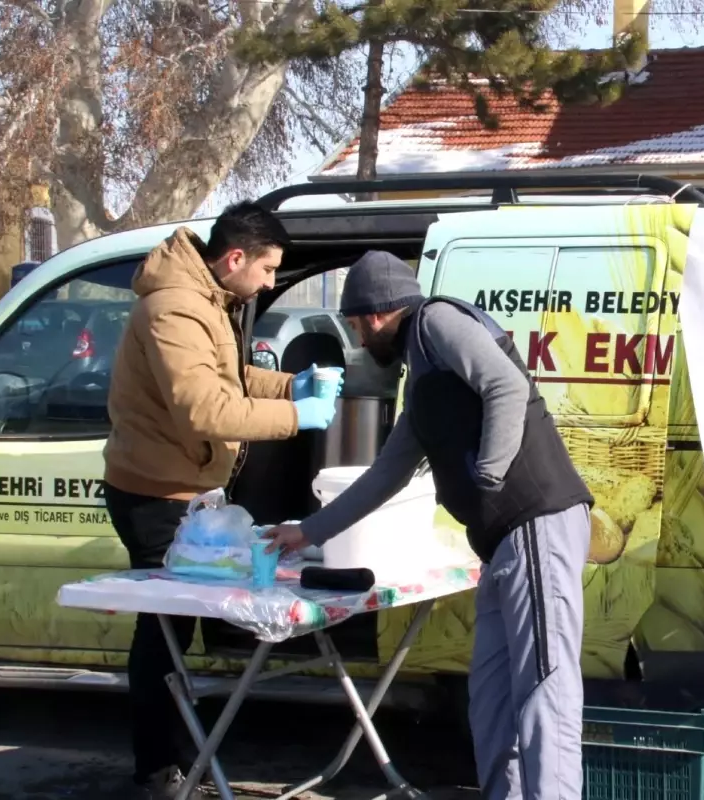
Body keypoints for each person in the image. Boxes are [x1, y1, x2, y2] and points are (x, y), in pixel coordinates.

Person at [264, 250, 594, 800]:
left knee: (544, 688)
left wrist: (487, 477)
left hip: (536, 523)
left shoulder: (437, 322)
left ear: (374, 314)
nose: (357, 338)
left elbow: (506, 387)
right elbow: (386, 475)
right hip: (502, 540)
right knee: (492, 696)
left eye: (353, 324)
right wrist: (309, 530)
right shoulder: (422, 378)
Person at [103, 202, 339, 799]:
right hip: (157, 494)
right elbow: (205, 408)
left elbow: (228, 379)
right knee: (166, 635)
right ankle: (158, 770)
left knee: (174, 634)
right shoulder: (175, 307)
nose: (268, 283)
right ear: (234, 259)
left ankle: (173, 761)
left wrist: (292, 383)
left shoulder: (208, 300)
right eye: (266, 270)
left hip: (188, 489)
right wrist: (297, 415)